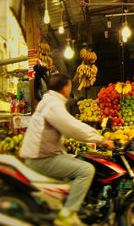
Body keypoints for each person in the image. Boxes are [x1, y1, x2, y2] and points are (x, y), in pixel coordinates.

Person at [20, 73, 114, 226]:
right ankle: (67, 215)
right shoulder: (53, 105)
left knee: (78, 160)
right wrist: (100, 139)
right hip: (41, 158)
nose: (71, 88)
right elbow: (72, 127)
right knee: (86, 170)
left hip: (42, 156)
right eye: (70, 85)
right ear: (65, 87)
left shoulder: (50, 101)